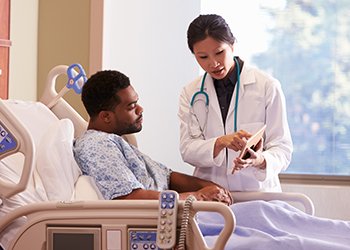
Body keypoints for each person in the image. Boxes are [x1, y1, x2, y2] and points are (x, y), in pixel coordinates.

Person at [73, 70, 233, 205]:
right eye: (131, 107)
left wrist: (211, 187)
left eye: (137, 102)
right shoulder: (97, 145)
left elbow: (167, 177)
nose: (140, 109)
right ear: (106, 116)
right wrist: (200, 197)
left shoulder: (116, 142)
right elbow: (130, 198)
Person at [178, 14, 293, 192]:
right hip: (212, 195)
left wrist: (260, 160)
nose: (213, 63)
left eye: (219, 52)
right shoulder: (191, 92)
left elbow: (282, 148)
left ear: (232, 44)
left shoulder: (266, 86)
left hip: (257, 194)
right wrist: (220, 142)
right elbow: (187, 149)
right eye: (203, 57)